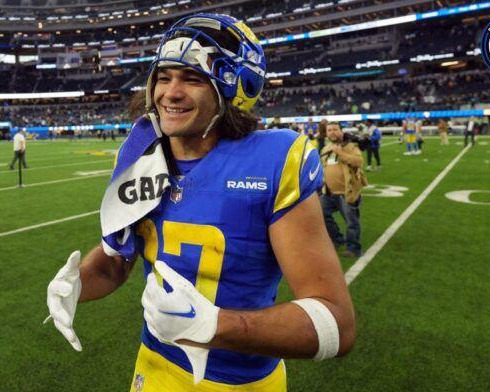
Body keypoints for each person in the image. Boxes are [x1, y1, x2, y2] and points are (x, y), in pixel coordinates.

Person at [44, 13, 355, 391]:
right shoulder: (141, 155)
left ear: (233, 89)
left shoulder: (274, 160)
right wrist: (77, 283)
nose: (169, 93)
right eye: (164, 76)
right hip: (154, 365)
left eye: (192, 78)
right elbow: (116, 263)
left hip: (240, 382)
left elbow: (337, 323)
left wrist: (216, 326)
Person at [319, 122, 368, 258]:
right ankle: (337, 239)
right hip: (329, 192)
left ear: (341, 131)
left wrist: (341, 153)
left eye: (335, 129)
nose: (332, 132)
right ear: (326, 133)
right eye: (329, 130)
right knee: (321, 214)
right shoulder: (325, 148)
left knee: (351, 222)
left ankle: (353, 248)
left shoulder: (351, 147)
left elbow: (358, 162)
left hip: (347, 192)